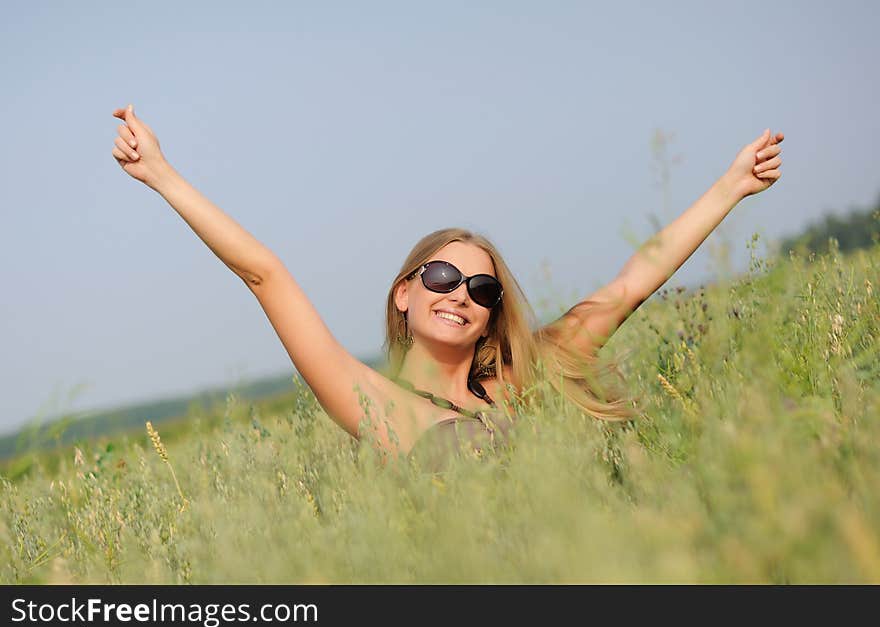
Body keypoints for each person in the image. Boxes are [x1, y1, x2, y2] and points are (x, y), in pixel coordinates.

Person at [110, 104, 783, 469]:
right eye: (442, 276)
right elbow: (265, 273)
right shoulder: (371, 403)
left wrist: (732, 187)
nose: (461, 293)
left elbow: (631, 284)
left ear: (492, 315)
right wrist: (164, 176)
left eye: (483, 289)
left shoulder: (521, 378)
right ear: (404, 291)